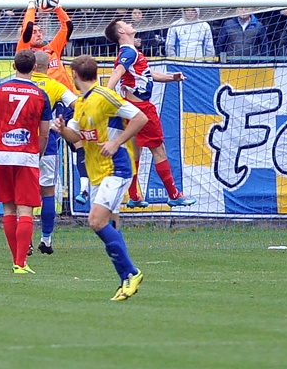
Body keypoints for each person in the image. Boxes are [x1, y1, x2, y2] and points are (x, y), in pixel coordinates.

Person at [53, 55, 147, 300]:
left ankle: (131, 273)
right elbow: (76, 138)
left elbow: (140, 118)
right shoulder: (82, 103)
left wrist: (116, 142)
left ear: (74, 74)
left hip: (115, 169)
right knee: (110, 225)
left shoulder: (105, 96)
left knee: (95, 221)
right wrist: (62, 130)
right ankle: (125, 280)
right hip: (97, 173)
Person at [104, 19, 197, 208]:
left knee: (134, 152)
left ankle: (134, 196)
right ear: (121, 31)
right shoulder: (129, 51)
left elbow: (149, 74)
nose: (131, 24)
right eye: (126, 23)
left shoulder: (130, 52)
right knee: (159, 150)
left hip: (131, 107)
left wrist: (172, 77)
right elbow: (117, 74)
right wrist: (107, 92)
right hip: (142, 109)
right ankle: (174, 194)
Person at [0, 49, 52, 274]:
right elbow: (44, 133)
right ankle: (20, 263)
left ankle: (16, 259)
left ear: (14, 66)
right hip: (26, 155)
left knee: (8, 209)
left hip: (2, 154)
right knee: (26, 210)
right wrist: (38, 154)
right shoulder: (41, 95)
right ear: (34, 68)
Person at [30, 51, 79, 255]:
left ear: (32, 67)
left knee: (23, 195)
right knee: (47, 191)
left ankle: (25, 242)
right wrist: (63, 123)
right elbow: (78, 104)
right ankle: (46, 240)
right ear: (47, 68)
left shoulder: (21, 84)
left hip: (23, 143)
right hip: (48, 143)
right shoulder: (55, 86)